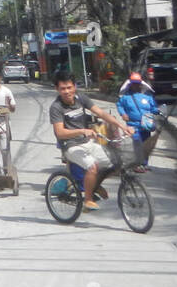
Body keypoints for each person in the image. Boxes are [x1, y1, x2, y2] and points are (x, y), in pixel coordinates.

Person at [49, 70, 133, 211]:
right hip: (70, 146)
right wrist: (82, 131)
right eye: (62, 89)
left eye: (69, 87)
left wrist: (122, 126)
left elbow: (100, 113)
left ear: (74, 86)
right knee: (92, 166)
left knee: (115, 162)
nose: (67, 91)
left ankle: (94, 185)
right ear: (57, 89)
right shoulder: (56, 107)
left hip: (87, 143)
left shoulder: (81, 98)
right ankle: (88, 199)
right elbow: (60, 133)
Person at [116, 71, 160, 172]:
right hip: (132, 125)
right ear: (130, 84)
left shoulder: (148, 96)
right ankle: (137, 164)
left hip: (146, 125)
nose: (135, 85)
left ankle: (144, 164)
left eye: (137, 83)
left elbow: (153, 108)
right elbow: (119, 106)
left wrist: (158, 111)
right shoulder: (125, 97)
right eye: (133, 83)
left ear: (140, 84)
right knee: (136, 142)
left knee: (146, 144)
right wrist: (123, 114)